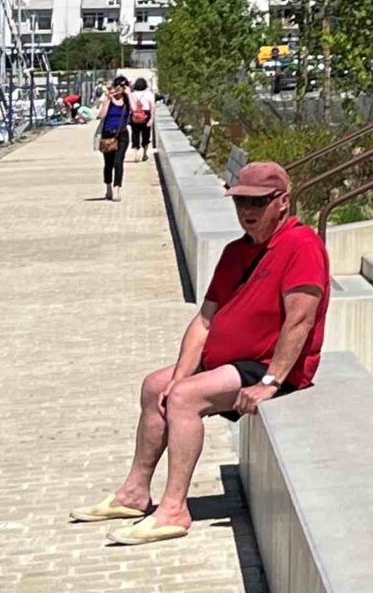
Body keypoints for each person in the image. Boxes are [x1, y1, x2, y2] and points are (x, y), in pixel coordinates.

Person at [72, 159, 328, 546]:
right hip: (231, 361)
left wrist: (270, 382)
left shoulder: (301, 245)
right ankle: (134, 493)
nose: (247, 211)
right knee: (156, 386)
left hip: (267, 366)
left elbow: (300, 321)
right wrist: (177, 377)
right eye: (241, 201)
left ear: (283, 202)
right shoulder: (236, 251)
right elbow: (204, 321)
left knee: (184, 398)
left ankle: (174, 509)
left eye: (258, 202)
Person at [96, 79, 130, 199]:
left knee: (118, 161)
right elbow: (102, 115)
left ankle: (117, 189)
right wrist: (108, 100)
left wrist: (129, 94)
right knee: (108, 163)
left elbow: (135, 108)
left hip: (122, 134)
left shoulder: (127, 100)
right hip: (108, 134)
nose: (120, 87)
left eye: (123, 85)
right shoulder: (109, 100)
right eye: (117, 85)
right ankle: (108, 187)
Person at [128, 76, 155, 157]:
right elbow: (152, 106)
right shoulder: (149, 94)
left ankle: (136, 154)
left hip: (135, 115)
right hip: (146, 115)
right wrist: (151, 119)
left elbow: (130, 107)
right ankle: (144, 154)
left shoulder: (132, 94)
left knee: (135, 134)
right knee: (146, 135)